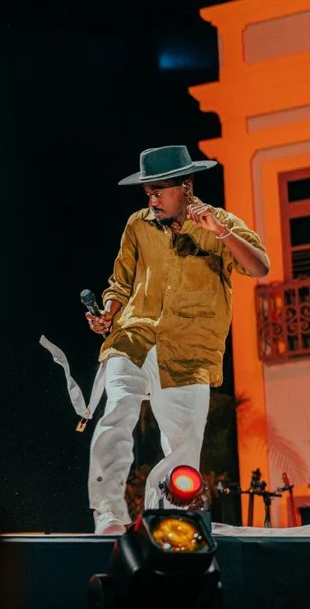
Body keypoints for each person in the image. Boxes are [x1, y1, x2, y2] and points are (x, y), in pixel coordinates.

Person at [86, 145, 269, 535]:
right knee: (117, 409)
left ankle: (161, 513)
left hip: (189, 347)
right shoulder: (138, 225)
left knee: (184, 442)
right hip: (134, 335)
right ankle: (109, 511)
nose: (151, 200)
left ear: (186, 187)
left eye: (159, 191)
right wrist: (108, 311)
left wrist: (220, 233)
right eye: (148, 192)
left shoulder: (221, 224)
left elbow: (259, 266)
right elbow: (120, 281)